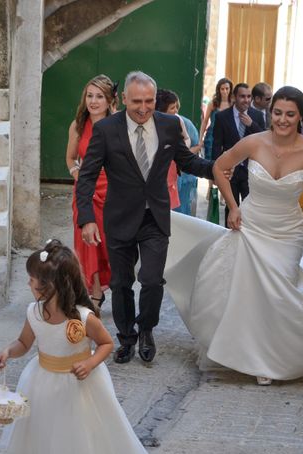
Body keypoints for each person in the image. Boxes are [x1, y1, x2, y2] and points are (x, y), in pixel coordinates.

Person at [164, 86, 303, 386]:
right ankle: (250, 355)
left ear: (301, 117)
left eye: (290, 114)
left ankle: (276, 356)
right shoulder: (253, 142)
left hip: (287, 233)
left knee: (278, 291)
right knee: (249, 291)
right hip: (251, 224)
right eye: (277, 113)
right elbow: (220, 167)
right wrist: (233, 207)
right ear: (270, 112)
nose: (282, 120)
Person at [76, 71, 216, 365]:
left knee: (152, 280)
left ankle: (147, 330)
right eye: (136, 101)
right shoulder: (107, 129)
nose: (143, 108)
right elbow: (87, 176)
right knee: (121, 283)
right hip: (119, 218)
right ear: (124, 99)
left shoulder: (168, 125)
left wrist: (217, 169)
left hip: (155, 218)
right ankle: (126, 338)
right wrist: (87, 218)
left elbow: (187, 161)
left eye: (149, 101)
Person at [0, 240, 154, 454]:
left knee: (77, 439)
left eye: (32, 279)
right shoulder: (34, 312)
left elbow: (106, 343)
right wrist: (8, 351)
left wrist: (89, 363)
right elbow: (24, 343)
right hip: (42, 384)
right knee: (45, 436)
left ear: (50, 286)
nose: (28, 282)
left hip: (78, 389)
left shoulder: (83, 317)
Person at [66, 75, 116, 309]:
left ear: (109, 101)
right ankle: (95, 292)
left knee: (108, 243)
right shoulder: (77, 125)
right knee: (89, 243)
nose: (93, 101)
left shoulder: (119, 125)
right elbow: (70, 158)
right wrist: (79, 176)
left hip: (113, 191)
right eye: (89, 95)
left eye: (99, 96)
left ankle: (111, 284)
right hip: (86, 193)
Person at [212, 82, 266, 222]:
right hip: (230, 172)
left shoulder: (257, 116)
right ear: (234, 97)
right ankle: (229, 239)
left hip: (251, 171)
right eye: (242, 96)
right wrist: (213, 172)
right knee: (231, 208)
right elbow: (217, 145)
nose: (246, 100)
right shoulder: (222, 117)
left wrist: (251, 125)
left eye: (249, 97)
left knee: (251, 210)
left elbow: (266, 140)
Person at [155, 88, 198, 213]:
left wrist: (178, 151)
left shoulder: (181, 121)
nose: (176, 111)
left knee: (178, 213)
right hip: (159, 176)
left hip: (176, 176)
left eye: (176, 107)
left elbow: (192, 142)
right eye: (172, 108)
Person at [200, 78, 233, 224]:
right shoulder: (214, 103)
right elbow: (205, 120)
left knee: (226, 164)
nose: (225, 91)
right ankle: (211, 186)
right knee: (211, 162)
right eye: (222, 89)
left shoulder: (233, 103)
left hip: (226, 138)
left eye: (227, 88)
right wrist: (200, 139)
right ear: (218, 90)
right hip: (212, 136)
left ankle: (223, 193)